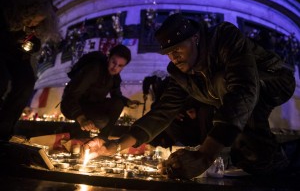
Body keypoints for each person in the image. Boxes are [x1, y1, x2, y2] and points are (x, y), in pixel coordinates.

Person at [83, 13, 297, 179]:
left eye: (178, 48)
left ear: (195, 38)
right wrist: (117, 144)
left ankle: (275, 160)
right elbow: (163, 112)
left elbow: (244, 89)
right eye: (168, 52)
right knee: (244, 152)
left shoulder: (223, 37)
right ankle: (260, 155)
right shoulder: (180, 73)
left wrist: (205, 155)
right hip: (229, 91)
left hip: (273, 79)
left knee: (227, 88)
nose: (173, 56)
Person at [0, 0, 60, 141]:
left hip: (18, 54)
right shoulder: (5, 12)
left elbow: (36, 43)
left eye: (38, 22)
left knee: (26, 82)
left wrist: (31, 44)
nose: (34, 24)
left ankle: (4, 128)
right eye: (32, 20)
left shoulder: (34, 26)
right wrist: (16, 39)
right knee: (1, 79)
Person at [60, 44, 141, 139]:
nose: (115, 68)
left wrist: (128, 102)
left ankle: (102, 139)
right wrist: (81, 118)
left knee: (118, 104)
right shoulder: (93, 69)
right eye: (113, 62)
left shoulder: (115, 77)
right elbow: (71, 95)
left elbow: (116, 96)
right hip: (71, 105)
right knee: (102, 121)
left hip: (91, 106)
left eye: (120, 65)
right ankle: (74, 133)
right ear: (109, 58)